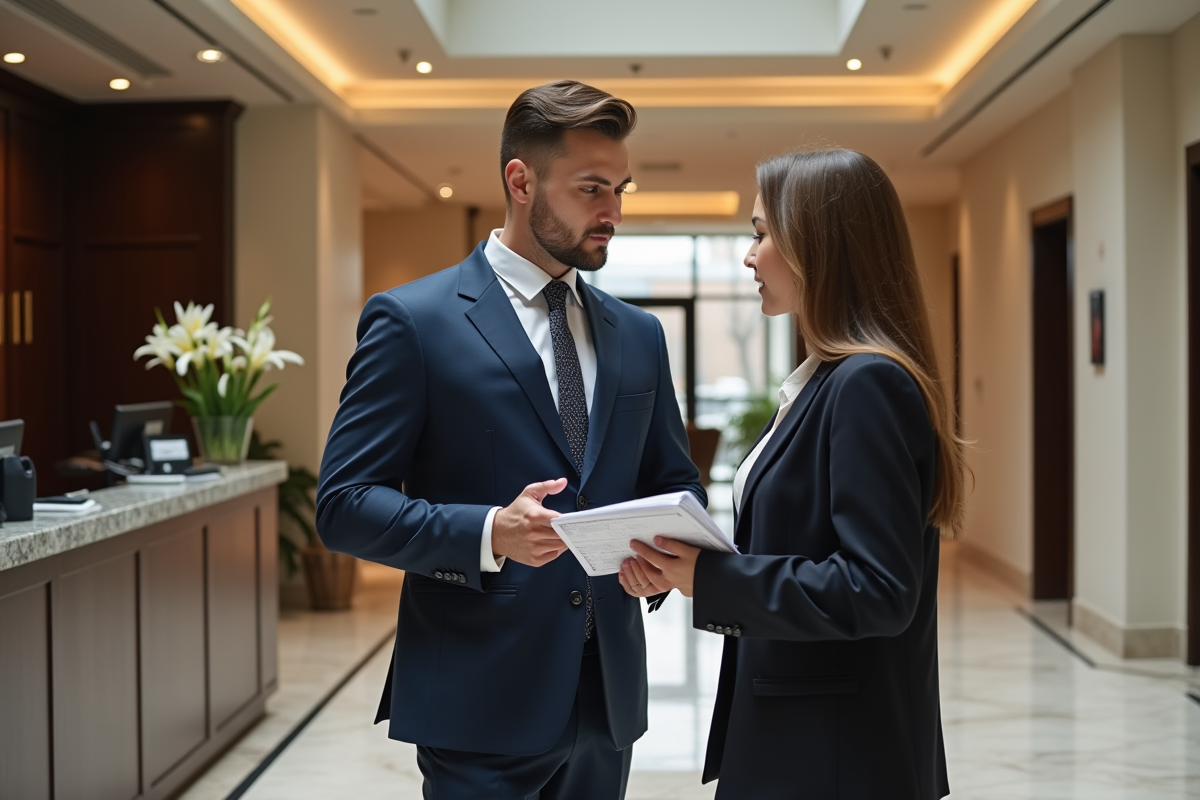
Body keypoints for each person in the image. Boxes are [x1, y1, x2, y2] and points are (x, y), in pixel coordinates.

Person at [316, 80, 705, 800]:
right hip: (476, 697)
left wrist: (665, 553)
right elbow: (343, 504)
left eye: (620, 189)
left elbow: (674, 480)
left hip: (607, 701)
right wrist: (490, 531)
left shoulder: (640, 334)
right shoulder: (414, 321)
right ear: (520, 180)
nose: (613, 212)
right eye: (592, 188)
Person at [620, 149, 963, 799]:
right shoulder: (825, 381)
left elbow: (878, 589)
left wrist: (711, 577)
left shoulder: (867, 384)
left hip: (835, 750)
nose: (748, 256)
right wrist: (688, 562)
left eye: (759, 234)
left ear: (819, 244)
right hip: (809, 730)